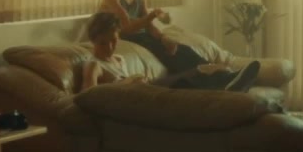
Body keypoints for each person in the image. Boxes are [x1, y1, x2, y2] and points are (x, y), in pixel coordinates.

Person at [80, 11, 260, 94]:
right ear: (93, 40)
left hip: (147, 91)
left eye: (113, 40)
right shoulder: (94, 65)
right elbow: (87, 97)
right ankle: (227, 85)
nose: (110, 47)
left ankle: (227, 82)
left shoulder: (118, 59)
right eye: (103, 43)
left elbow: (149, 84)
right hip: (136, 101)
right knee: (183, 84)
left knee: (190, 75)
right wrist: (124, 84)